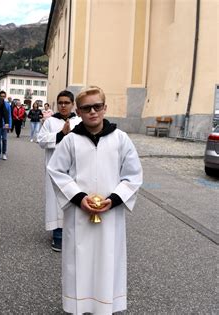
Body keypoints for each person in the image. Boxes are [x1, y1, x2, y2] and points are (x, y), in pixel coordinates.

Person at [47, 86, 143, 314]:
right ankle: (78, 307)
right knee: (78, 262)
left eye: (97, 106)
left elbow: (133, 175)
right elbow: (56, 171)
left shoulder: (121, 139)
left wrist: (115, 199)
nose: (93, 112)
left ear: (105, 108)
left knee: (108, 260)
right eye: (86, 108)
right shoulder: (70, 141)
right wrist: (79, 198)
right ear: (78, 112)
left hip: (111, 215)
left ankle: (104, 307)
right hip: (79, 215)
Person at [37, 90, 82, 251]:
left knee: (74, 198)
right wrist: (61, 134)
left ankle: (75, 235)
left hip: (75, 167)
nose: (63, 106)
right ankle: (58, 235)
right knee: (56, 201)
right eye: (60, 103)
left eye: (67, 103)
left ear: (72, 104)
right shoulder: (50, 122)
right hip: (55, 166)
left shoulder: (79, 121)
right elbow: (41, 140)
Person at [0, 90, 12, 160]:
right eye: (1, 96)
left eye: (4, 96)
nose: (2, 98)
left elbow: (9, 115)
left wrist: (9, 125)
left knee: (4, 139)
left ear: (5, 97)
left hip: (4, 125)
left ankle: (4, 153)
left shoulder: (7, 105)